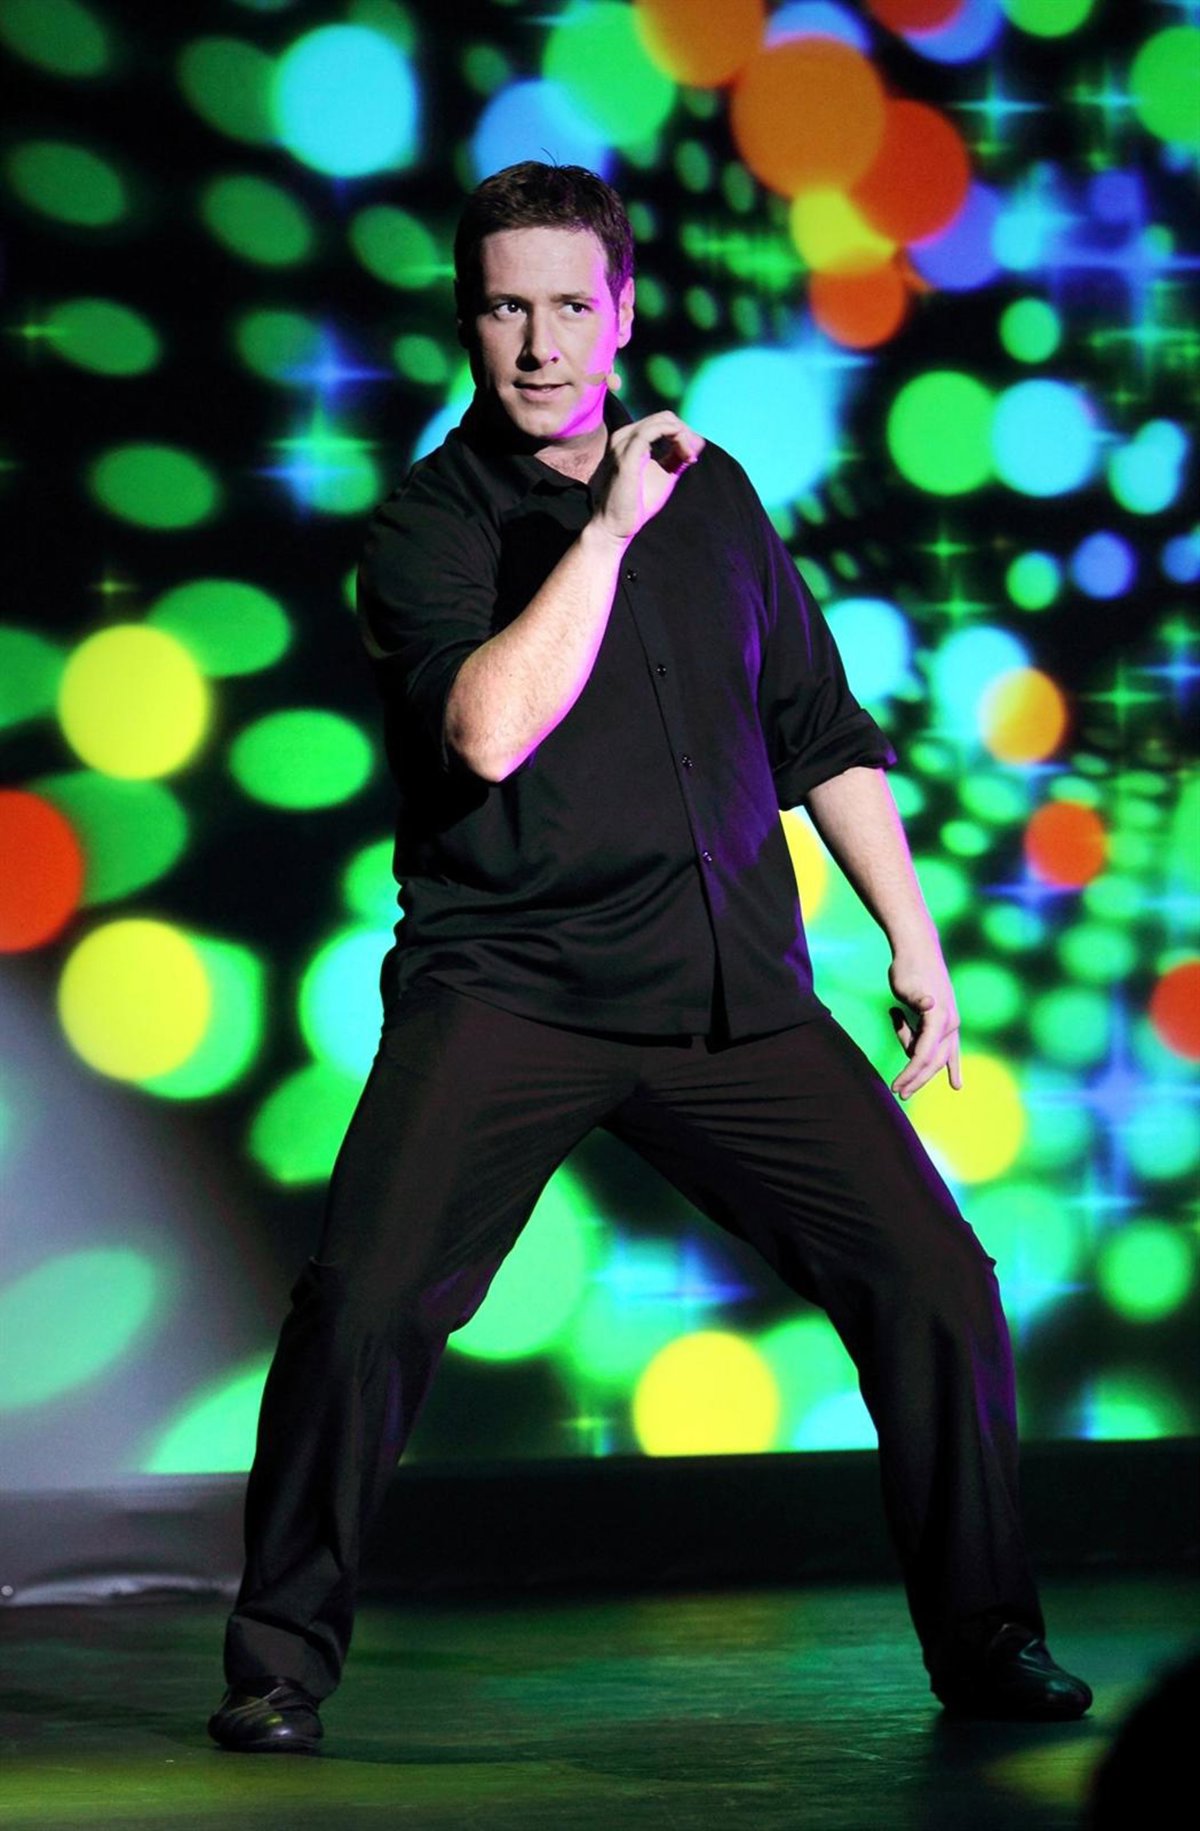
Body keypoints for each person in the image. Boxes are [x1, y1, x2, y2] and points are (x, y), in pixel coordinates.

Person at [208, 162, 1091, 1755]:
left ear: (620, 314)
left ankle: (989, 1640)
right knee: (367, 1305)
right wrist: (608, 533)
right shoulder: (428, 523)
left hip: (729, 997)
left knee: (937, 1281)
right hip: (513, 989)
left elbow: (818, 727)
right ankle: (277, 1664)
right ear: (468, 322)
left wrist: (915, 939)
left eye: (569, 306)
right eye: (505, 309)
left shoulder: (718, 493)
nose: (539, 345)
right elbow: (487, 731)